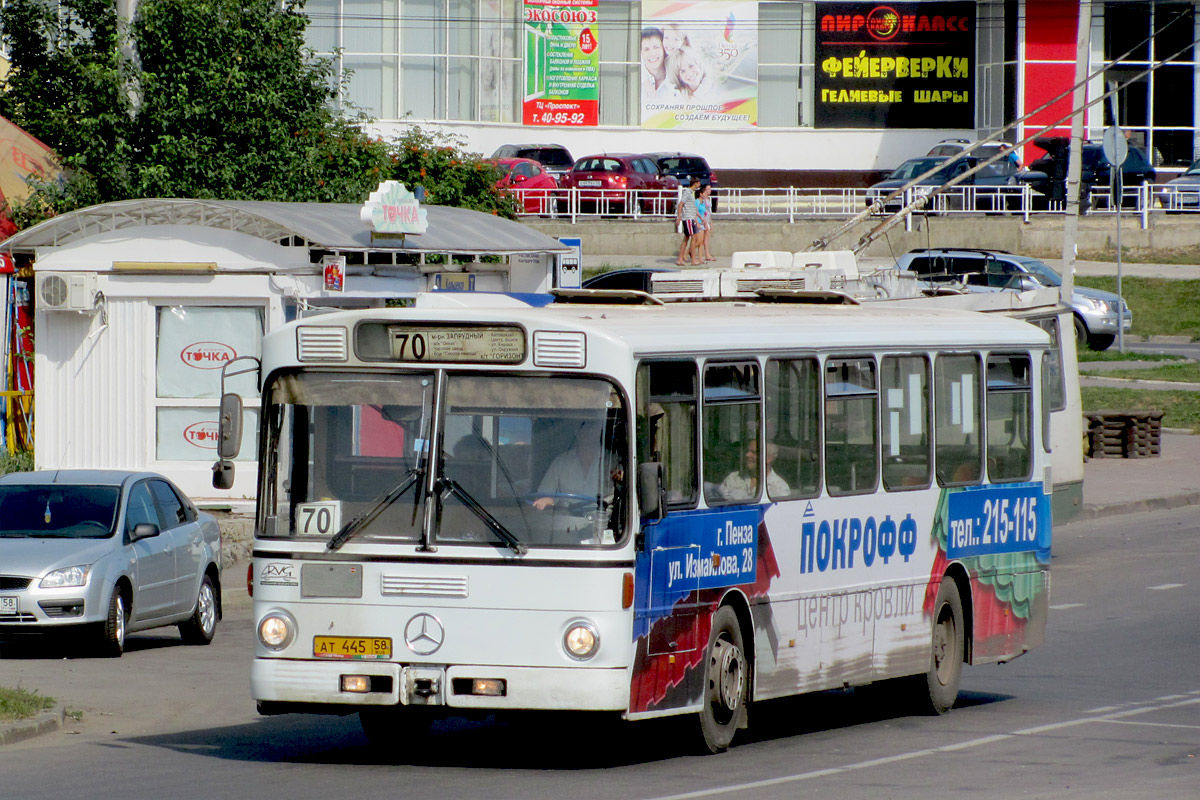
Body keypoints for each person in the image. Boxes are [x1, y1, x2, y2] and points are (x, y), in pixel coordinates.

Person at [720, 440, 789, 501]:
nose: (747, 455)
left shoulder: (780, 488)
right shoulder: (733, 477)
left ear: (768, 459)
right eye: (747, 451)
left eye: (754, 452)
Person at [640, 28, 677, 100]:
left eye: (656, 47)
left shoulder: (676, 78)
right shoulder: (636, 79)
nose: (652, 54)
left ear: (664, 49)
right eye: (646, 49)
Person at [674, 177, 702, 266]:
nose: (699, 185)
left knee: (686, 238)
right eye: (699, 183)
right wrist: (679, 217)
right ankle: (693, 259)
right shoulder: (687, 192)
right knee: (693, 238)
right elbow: (681, 204)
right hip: (688, 218)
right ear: (696, 183)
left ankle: (680, 259)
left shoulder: (692, 193)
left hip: (691, 218)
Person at [696, 184, 715, 262]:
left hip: (707, 219)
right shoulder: (702, 200)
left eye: (710, 189)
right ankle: (706, 254)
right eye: (708, 189)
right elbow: (701, 210)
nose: (709, 190)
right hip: (703, 220)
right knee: (701, 240)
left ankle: (707, 254)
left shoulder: (707, 199)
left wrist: (710, 221)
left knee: (706, 238)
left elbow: (709, 212)